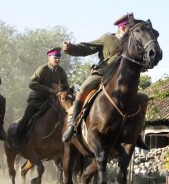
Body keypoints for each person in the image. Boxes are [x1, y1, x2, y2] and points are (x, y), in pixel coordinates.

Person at [62, 13, 150, 150]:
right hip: (103, 74)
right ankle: (73, 124)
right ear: (122, 28)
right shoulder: (107, 38)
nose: (133, 31)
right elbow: (86, 48)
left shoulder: (133, 43)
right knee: (84, 88)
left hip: (123, 80)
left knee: (143, 98)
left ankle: (137, 134)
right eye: (130, 28)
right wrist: (71, 48)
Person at [12, 47, 69, 150]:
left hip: (51, 102)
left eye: (59, 57)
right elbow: (32, 83)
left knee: (65, 116)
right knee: (26, 118)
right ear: (49, 58)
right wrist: (49, 90)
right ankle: (17, 141)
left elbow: (66, 87)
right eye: (55, 57)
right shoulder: (42, 69)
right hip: (37, 100)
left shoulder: (61, 71)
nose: (57, 60)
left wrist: (60, 88)